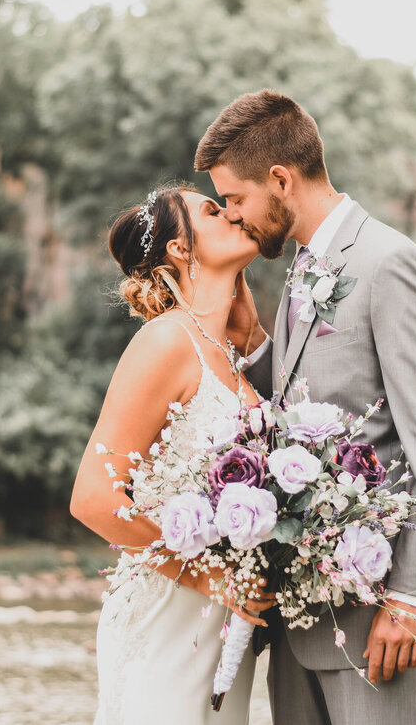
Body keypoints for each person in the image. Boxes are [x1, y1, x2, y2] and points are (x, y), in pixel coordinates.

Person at [196, 89, 416, 725]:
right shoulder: (301, 267)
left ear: (280, 179)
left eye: (236, 199)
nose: (233, 217)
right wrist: (255, 345)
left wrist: (411, 597)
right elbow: (313, 403)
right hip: (306, 615)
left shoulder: (390, 263)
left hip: (385, 612)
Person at [70, 185, 276, 724]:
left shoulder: (231, 359)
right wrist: (208, 577)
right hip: (171, 612)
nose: (232, 212)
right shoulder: (165, 342)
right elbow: (93, 497)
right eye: (212, 210)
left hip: (225, 624)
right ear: (180, 250)